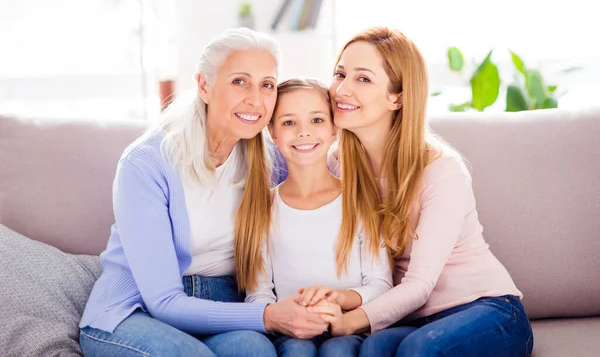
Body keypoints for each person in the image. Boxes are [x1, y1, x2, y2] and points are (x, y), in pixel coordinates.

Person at [79, 28, 328, 357]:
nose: (255, 99)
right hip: (134, 311)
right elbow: (164, 301)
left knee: (255, 351)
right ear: (204, 85)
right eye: (239, 81)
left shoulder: (271, 157)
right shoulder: (146, 163)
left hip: (225, 304)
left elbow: (337, 177)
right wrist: (269, 316)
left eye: (267, 84)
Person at [316, 27, 534, 356]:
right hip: (412, 318)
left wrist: (349, 321)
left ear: (398, 97)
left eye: (363, 79)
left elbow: (419, 285)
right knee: (368, 349)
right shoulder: (337, 165)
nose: (341, 89)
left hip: (487, 311)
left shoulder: (442, 171)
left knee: (417, 350)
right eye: (339, 74)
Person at [245, 78, 393, 357]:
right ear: (272, 132)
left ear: (334, 127)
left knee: (338, 352)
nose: (304, 132)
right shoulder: (262, 207)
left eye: (316, 120)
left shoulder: (361, 200)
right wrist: (285, 316)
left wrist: (337, 299)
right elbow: (258, 292)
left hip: (348, 327)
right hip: (290, 332)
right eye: (289, 123)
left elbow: (381, 284)